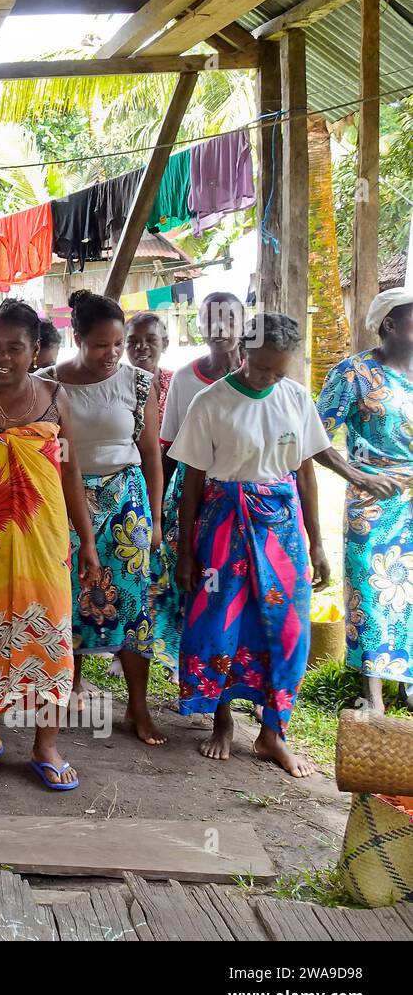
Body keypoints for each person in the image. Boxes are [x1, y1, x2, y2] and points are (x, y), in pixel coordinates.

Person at [0, 300, 99, 790]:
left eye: (14, 348)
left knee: (48, 634)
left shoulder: (55, 399)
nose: (1, 357)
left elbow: (69, 472)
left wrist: (86, 539)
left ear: (35, 352)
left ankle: (46, 745)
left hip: (45, 543)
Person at [172, 312, 330, 778]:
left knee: (287, 628)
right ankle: (222, 721)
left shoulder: (296, 398)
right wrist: (186, 554)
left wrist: (317, 542)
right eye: (262, 368)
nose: (269, 378)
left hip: (281, 529)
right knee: (220, 623)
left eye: (279, 371)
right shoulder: (210, 402)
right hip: (224, 526)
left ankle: (272, 734)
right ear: (243, 352)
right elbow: (193, 485)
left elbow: (305, 472)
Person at [36, 290, 165, 745]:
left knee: (133, 607)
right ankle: (67, 689)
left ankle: (137, 705)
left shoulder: (139, 384)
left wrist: (154, 520)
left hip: (126, 504)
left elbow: (151, 455)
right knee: (67, 600)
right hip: (64, 504)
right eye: (99, 345)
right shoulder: (47, 383)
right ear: (77, 337)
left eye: (117, 344)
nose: (110, 354)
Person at [314, 289, 413, 712]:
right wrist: (354, 474)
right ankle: (374, 698)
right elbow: (313, 436)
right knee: (373, 593)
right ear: (389, 324)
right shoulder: (353, 373)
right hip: (373, 503)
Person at [151, 293, 246, 672]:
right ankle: (195, 671)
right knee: (197, 587)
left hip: (250, 504)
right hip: (194, 502)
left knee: (244, 593)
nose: (220, 328)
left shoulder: (264, 374)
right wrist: (157, 509)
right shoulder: (187, 379)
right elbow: (170, 449)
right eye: (211, 319)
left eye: (229, 319)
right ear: (199, 325)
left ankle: (244, 676)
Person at [125, 312, 172, 422]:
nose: (141, 346)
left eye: (150, 340)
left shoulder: (176, 382)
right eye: (132, 341)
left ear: (165, 344)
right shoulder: (116, 386)